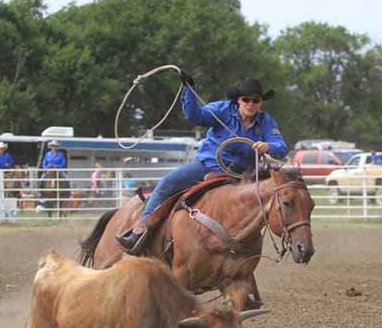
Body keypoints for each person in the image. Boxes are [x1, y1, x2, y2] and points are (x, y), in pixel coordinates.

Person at [116, 73, 288, 252]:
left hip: (242, 175)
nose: (251, 104)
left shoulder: (266, 121)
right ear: (238, 100)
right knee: (167, 184)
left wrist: (268, 146)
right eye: (247, 100)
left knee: (278, 197)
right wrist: (189, 90)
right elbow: (195, 115)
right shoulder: (222, 110)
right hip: (207, 166)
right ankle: (139, 232)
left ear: (261, 103)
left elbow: (281, 146)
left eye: (256, 100)